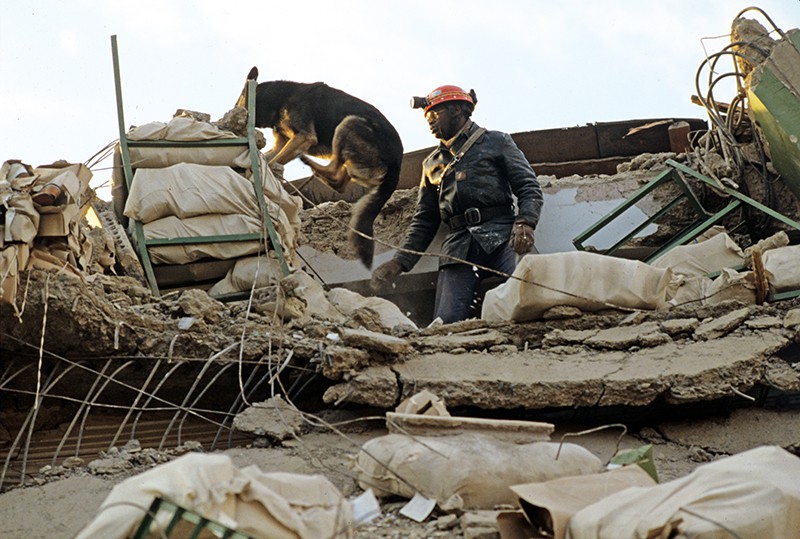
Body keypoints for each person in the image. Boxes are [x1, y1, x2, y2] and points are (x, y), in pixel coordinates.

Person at [370, 85, 543, 323]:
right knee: (446, 321)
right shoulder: (431, 164)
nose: (429, 121)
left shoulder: (495, 141)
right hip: (458, 249)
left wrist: (525, 222)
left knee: (528, 297)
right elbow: (425, 219)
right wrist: (400, 261)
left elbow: (528, 186)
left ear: (456, 110)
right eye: (427, 116)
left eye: (434, 114)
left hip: (503, 236)